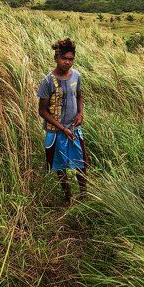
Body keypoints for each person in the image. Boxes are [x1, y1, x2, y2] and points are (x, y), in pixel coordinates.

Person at [37, 38, 88, 203]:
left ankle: (84, 196)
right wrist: (61, 128)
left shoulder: (77, 76)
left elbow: (79, 96)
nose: (67, 62)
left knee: (81, 164)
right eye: (64, 58)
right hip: (56, 131)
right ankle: (68, 198)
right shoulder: (47, 81)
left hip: (73, 129)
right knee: (60, 168)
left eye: (71, 59)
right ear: (56, 58)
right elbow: (42, 111)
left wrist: (81, 113)